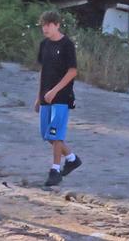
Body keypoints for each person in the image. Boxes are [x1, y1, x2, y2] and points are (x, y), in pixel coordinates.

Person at [36, 10, 81, 187]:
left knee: (55, 133)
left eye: (48, 25)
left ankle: (55, 170)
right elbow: (43, 70)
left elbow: (73, 71)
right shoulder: (44, 45)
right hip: (45, 95)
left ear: (57, 25)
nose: (45, 28)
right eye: (43, 25)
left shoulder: (67, 44)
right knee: (46, 134)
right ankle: (71, 158)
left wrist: (55, 90)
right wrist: (38, 96)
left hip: (62, 95)